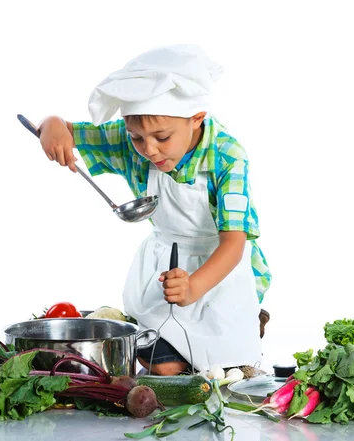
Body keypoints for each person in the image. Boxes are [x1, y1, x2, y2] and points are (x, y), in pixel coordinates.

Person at [37, 45, 271, 376]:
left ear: (196, 118)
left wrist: (193, 287)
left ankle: (247, 322)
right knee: (161, 367)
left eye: (162, 137)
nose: (149, 150)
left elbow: (234, 244)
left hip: (219, 268)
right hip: (166, 263)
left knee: (223, 361)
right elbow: (67, 131)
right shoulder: (133, 136)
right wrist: (52, 125)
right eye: (136, 138)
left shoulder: (227, 155)